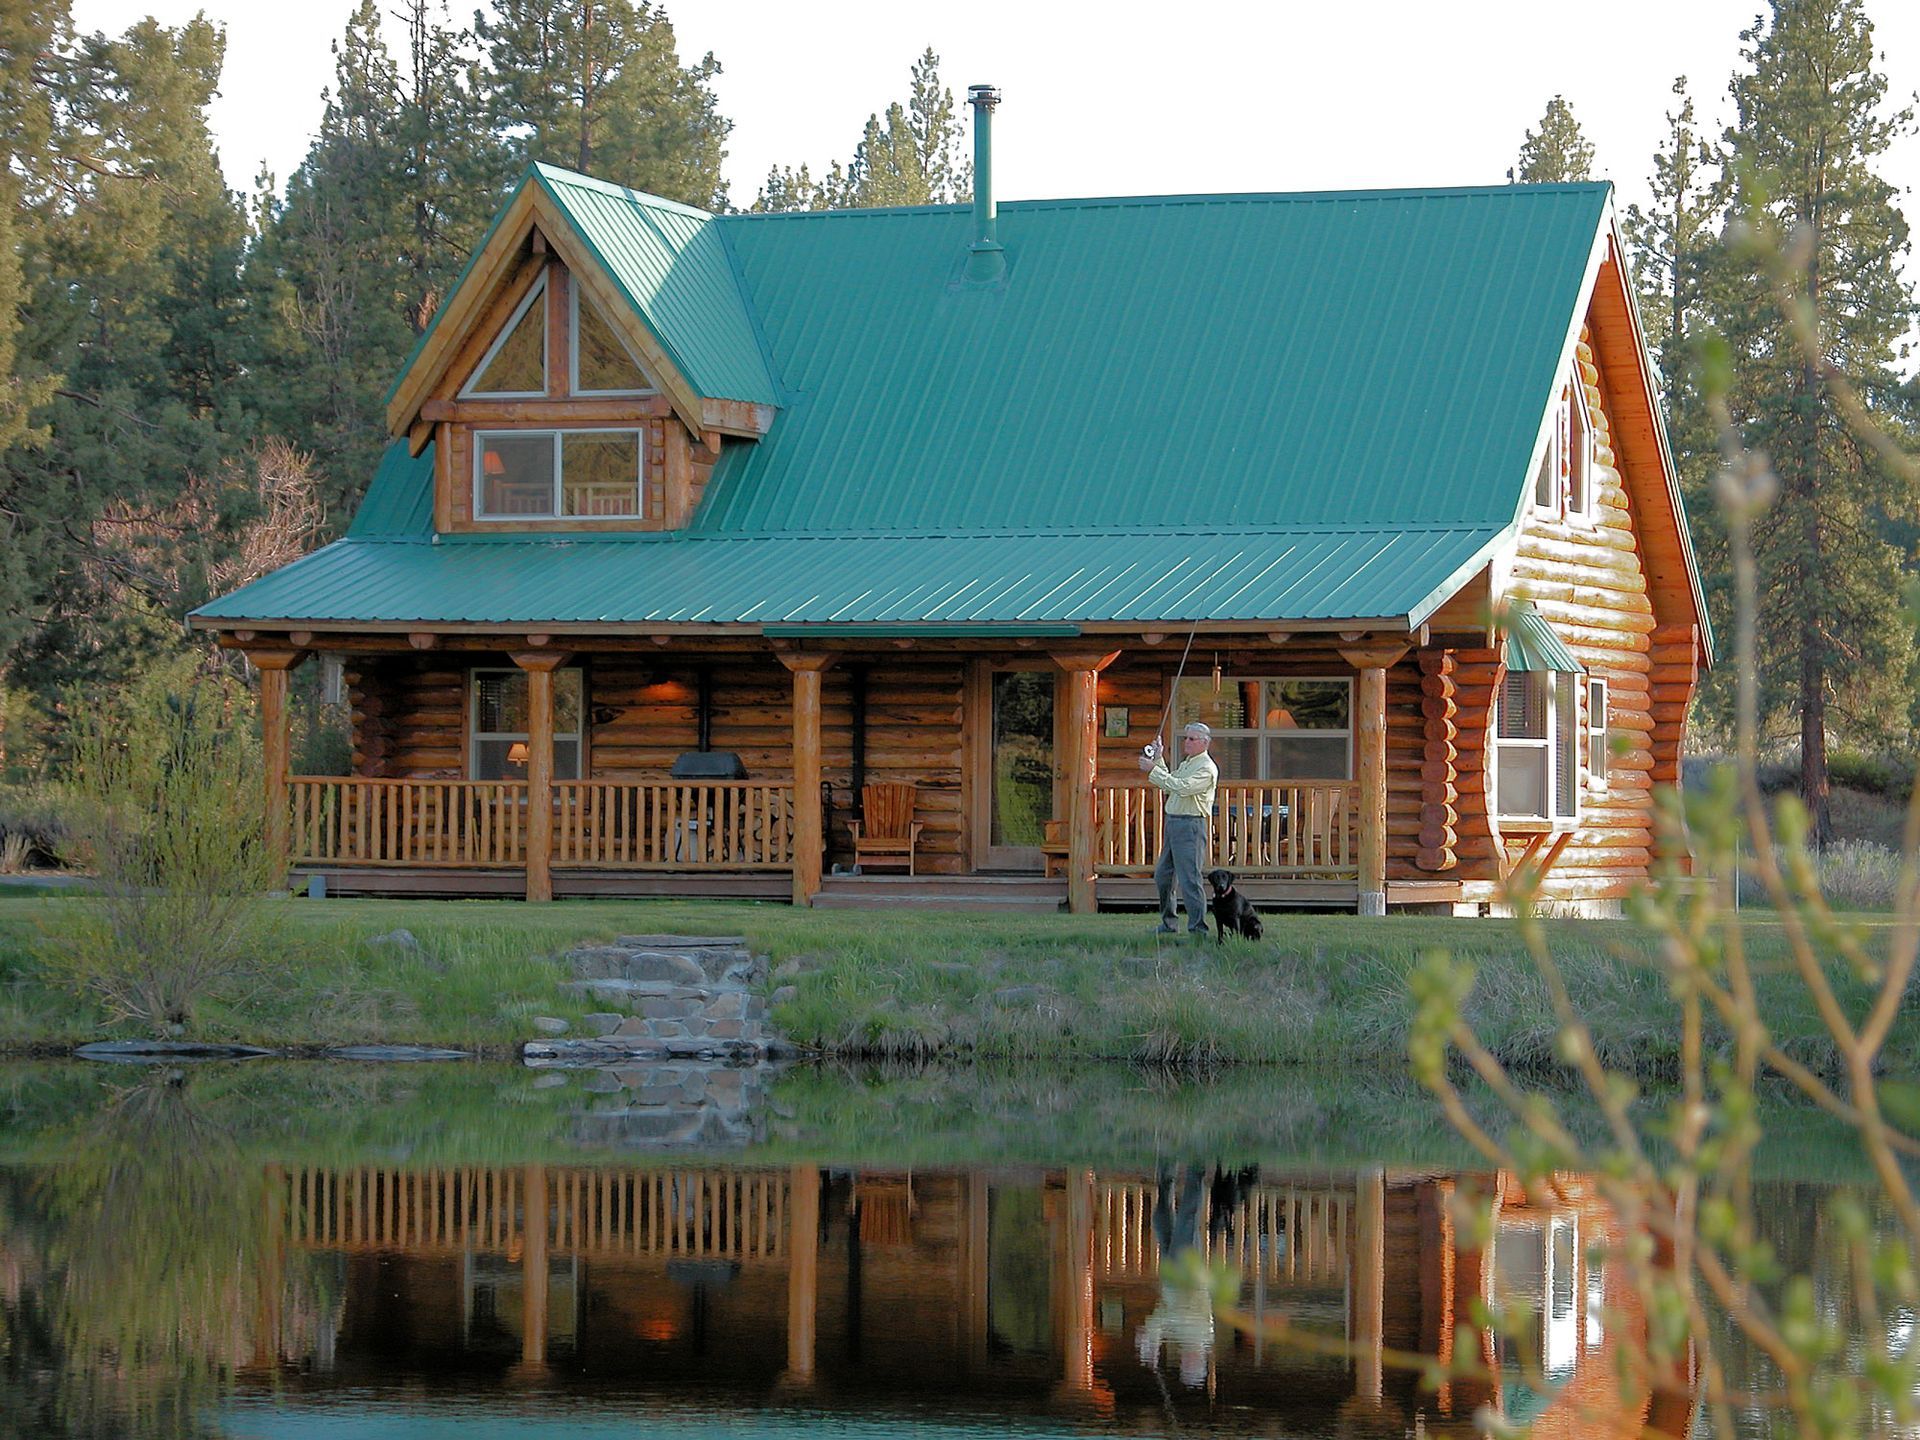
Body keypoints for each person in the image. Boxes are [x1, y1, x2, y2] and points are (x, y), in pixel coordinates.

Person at [1142, 720, 1218, 936]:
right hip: (1174, 823)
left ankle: (1198, 928)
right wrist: (1158, 759)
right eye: (1186, 738)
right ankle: (1169, 923)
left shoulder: (1206, 768)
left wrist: (1152, 771)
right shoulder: (1188, 763)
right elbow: (1172, 781)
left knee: (1189, 879)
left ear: (1205, 743)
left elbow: (1183, 788)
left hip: (1190, 825)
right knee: (1163, 875)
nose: (1187, 742)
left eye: (1192, 739)